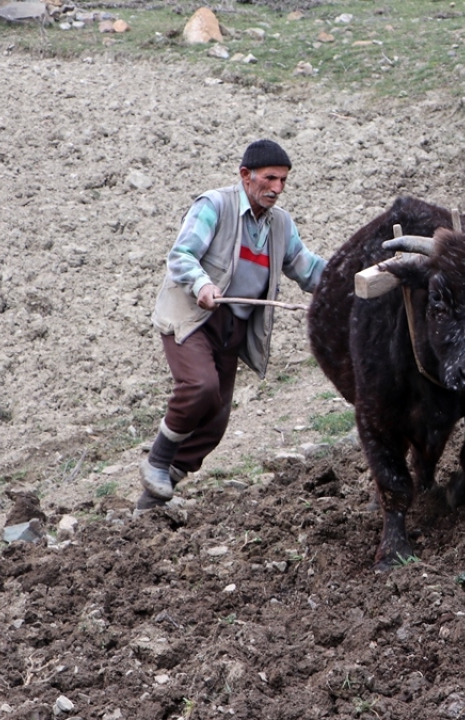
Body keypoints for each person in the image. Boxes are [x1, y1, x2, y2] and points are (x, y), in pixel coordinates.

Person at [137, 139, 326, 509]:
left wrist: (346, 279)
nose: (277, 188)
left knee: (216, 421)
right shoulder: (215, 205)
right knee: (201, 386)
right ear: (245, 175)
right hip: (194, 316)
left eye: (284, 181)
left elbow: (305, 266)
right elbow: (182, 254)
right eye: (270, 178)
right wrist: (202, 283)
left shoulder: (280, 225)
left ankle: (154, 495)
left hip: (232, 329)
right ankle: (157, 461)